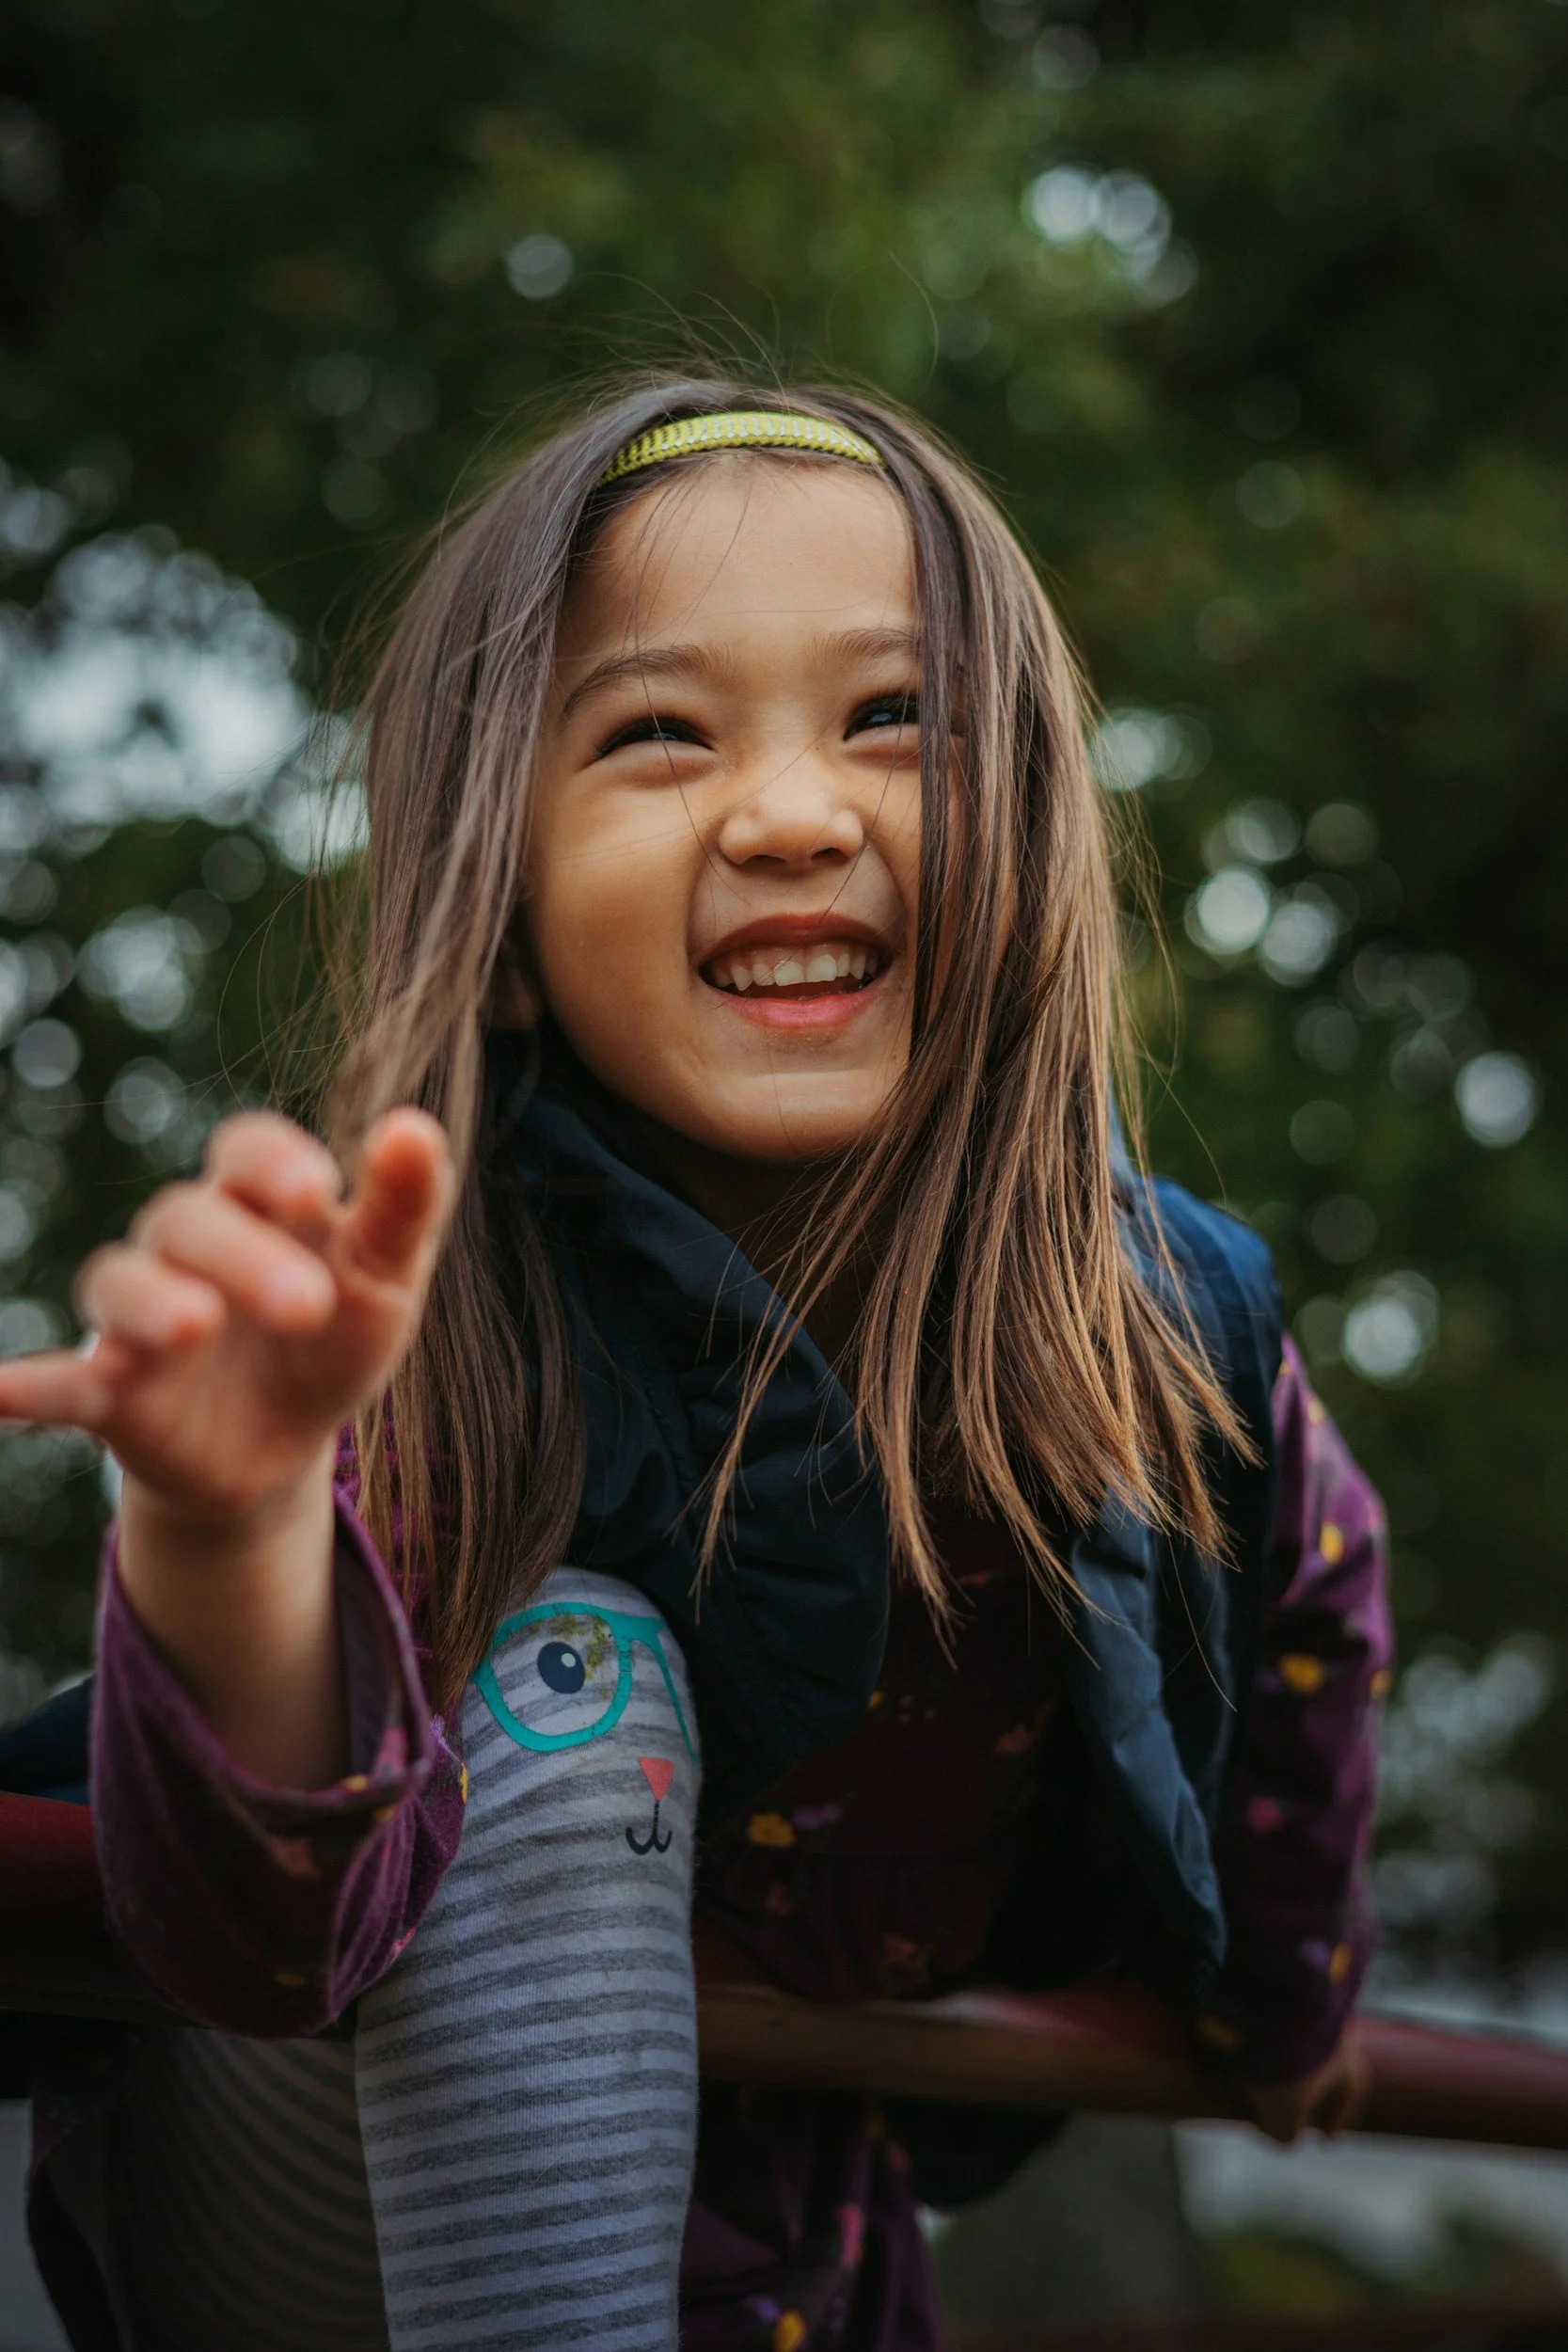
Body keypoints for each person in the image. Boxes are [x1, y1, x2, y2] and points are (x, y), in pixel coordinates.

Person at [0, 385, 1390, 2352]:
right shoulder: (424, 1319)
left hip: (788, 2202)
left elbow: (1312, 1608)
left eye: (893, 716)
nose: (795, 808)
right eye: (659, 732)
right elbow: (255, 1931)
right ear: (496, 905)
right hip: (325, 2171)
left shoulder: (1155, 1323)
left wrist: (1279, 1998)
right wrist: (226, 1536)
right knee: (571, 1656)